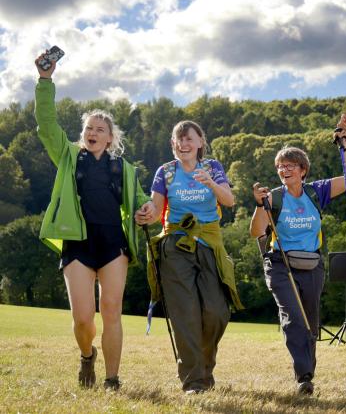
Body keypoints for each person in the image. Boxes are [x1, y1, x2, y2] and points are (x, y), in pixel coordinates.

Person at [33, 52, 153, 390]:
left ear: (111, 138)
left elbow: (141, 201)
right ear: (82, 134)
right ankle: (88, 355)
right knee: (83, 318)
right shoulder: (69, 156)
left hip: (113, 243)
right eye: (89, 128)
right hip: (78, 243)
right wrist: (45, 81)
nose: (93, 132)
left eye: (100, 129)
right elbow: (46, 125)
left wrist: (147, 210)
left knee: (111, 311)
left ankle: (112, 380)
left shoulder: (124, 169)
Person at [250, 114, 346, 395]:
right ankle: (304, 376)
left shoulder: (315, 192)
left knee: (311, 320)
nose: (284, 170)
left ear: (302, 170)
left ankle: (307, 373)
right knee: (293, 317)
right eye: (280, 167)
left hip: (312, 263)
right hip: (280, 264)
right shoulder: (273, 196)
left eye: (290, 166)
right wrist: (261, 205)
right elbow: (255, 231)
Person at [135, 120, 242, 394]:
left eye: (188, 139)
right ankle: (194, 381)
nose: (183, 144)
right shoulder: (165, 172)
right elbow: (156, 209)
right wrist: (145, 213)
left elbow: (229, 200)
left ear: (200, 143)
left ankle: (205, 366)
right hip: (175, 245)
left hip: (209, 242)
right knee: (185, 314)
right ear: (173, 145)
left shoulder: (213, 168)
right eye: (178, 140)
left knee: (216, 312)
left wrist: (211, 184)